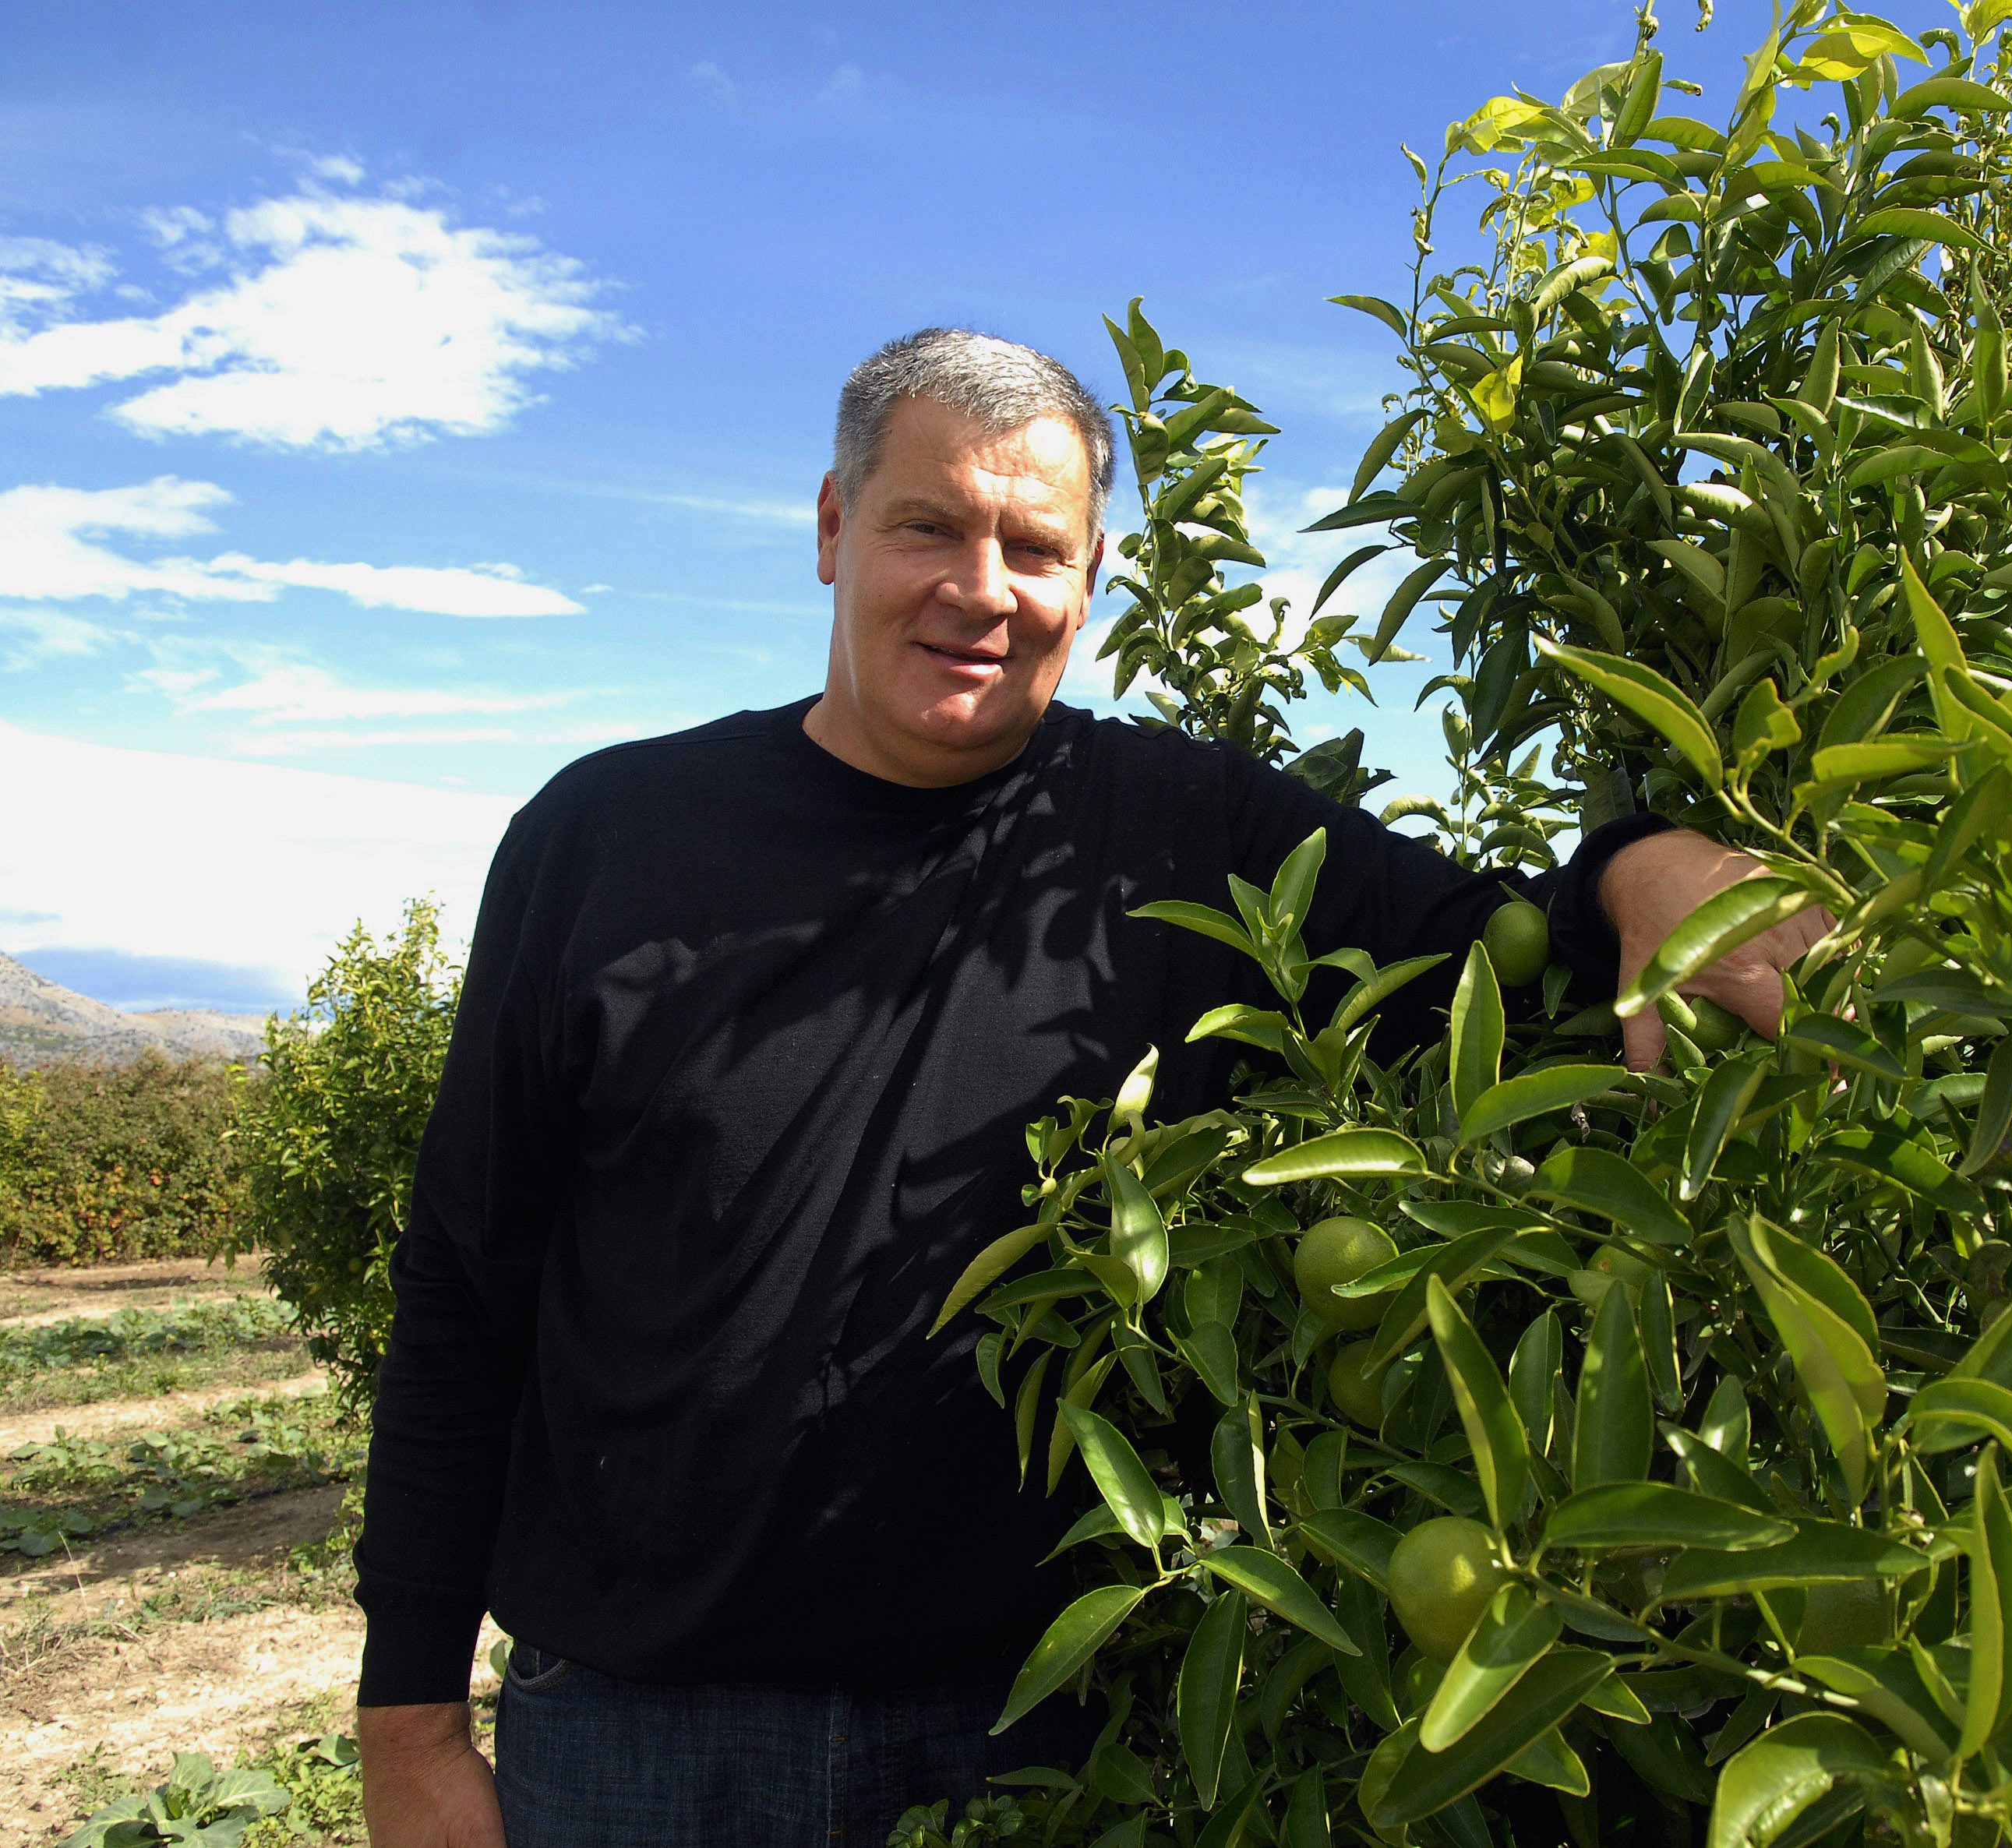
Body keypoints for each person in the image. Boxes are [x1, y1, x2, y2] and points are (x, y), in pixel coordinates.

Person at [353, 329, 1828, 1847]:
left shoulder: (1168, 833)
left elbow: (1494, 945)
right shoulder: (604, 839)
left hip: (1036, 1734)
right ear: (830, 528)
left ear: (1093, 573)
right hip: (637, 1744)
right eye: (927, 523)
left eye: (1032, 546)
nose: (979, 588)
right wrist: (407, 1717)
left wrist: (1643, 867)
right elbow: (466, 1283)